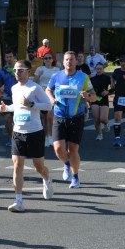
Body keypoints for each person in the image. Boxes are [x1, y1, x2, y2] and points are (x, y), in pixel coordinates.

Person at [0, 60, 52, 211]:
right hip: (18, 132)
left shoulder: (35, 88)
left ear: (28, 71)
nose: (17, 73)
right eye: (15, 70)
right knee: (17, 166)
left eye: (21, 70)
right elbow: (17, 106)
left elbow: (48, 105)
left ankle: (47, 179)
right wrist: (6, 108)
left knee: (38, 167)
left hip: (35, 132)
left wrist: (32, 104)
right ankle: (18, 201)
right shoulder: (14, 88)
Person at [46, 51, 95, 188]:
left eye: (71, 59)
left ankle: (75, 177)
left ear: (76, 62)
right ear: (63, 62)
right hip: (59, 116)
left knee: (73, 150)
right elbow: (48, 90)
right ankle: (66, 164)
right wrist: (51, 99)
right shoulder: (56, 76)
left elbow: (94, 97)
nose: (69, 62)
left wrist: (87, 96)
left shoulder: (83, 77)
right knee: (58, 149)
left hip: (76, 118)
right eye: (66, 59)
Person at [33, 52, 58, 146]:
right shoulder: (40, 69)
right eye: (45, 58)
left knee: (50, 117)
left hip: (52, 94)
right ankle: (46, 136)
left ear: (52, 60)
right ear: (43, 60)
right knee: (44, 117)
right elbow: (34, 81)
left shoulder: (57, 70)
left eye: (49, 58)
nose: (47, 60)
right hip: (42, 95)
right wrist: (39, 75)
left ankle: (50, 136)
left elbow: (59, 82)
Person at [89, 61, 111, 140]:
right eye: (97, 69)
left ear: (103, 69)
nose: (99, 70)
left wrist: (107, 92)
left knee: (103, 118)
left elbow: (114, 88)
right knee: (96, 119)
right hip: (95, 99)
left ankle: (106, 123)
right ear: (95, 69)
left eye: (100, 69)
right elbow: (88, 89)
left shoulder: (107, 78)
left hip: (104, 99)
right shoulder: (92, 79)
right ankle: (99, 134)